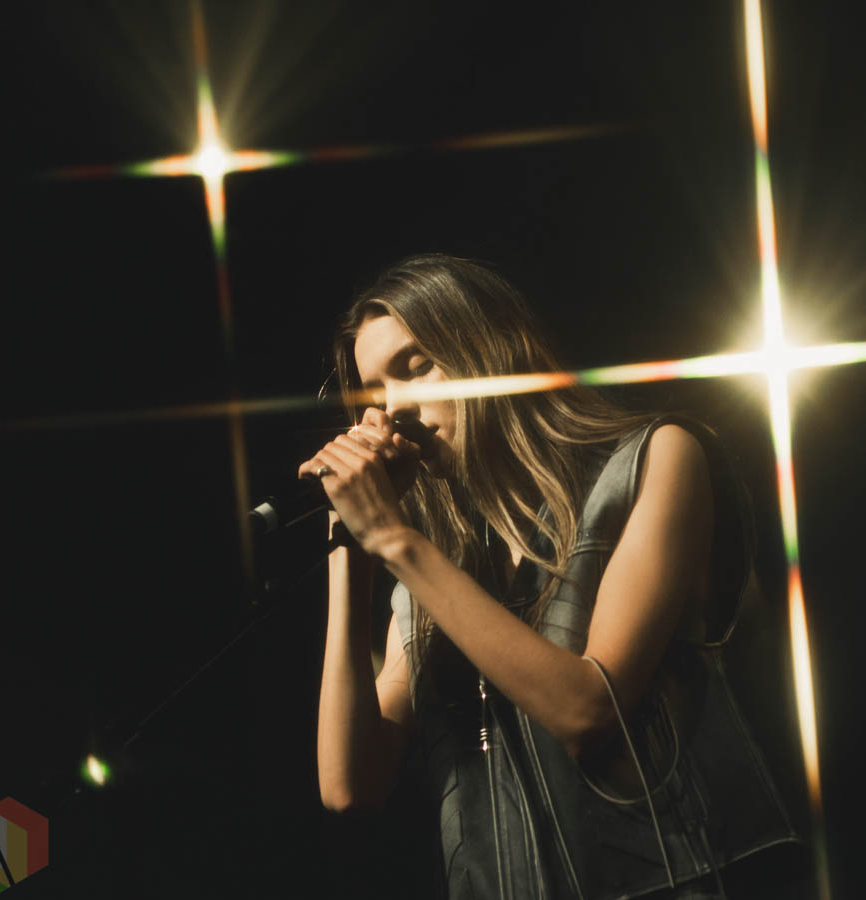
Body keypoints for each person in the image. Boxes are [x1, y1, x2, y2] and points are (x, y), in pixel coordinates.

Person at [302, 254, 809, 898]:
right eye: (376, 393)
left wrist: (391, 539)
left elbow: (588, 711)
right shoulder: (433, 577)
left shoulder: (654, 461)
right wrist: (348, 545)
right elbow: (349, 786)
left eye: (418, 366)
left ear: (490, 350)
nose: (397, 409)